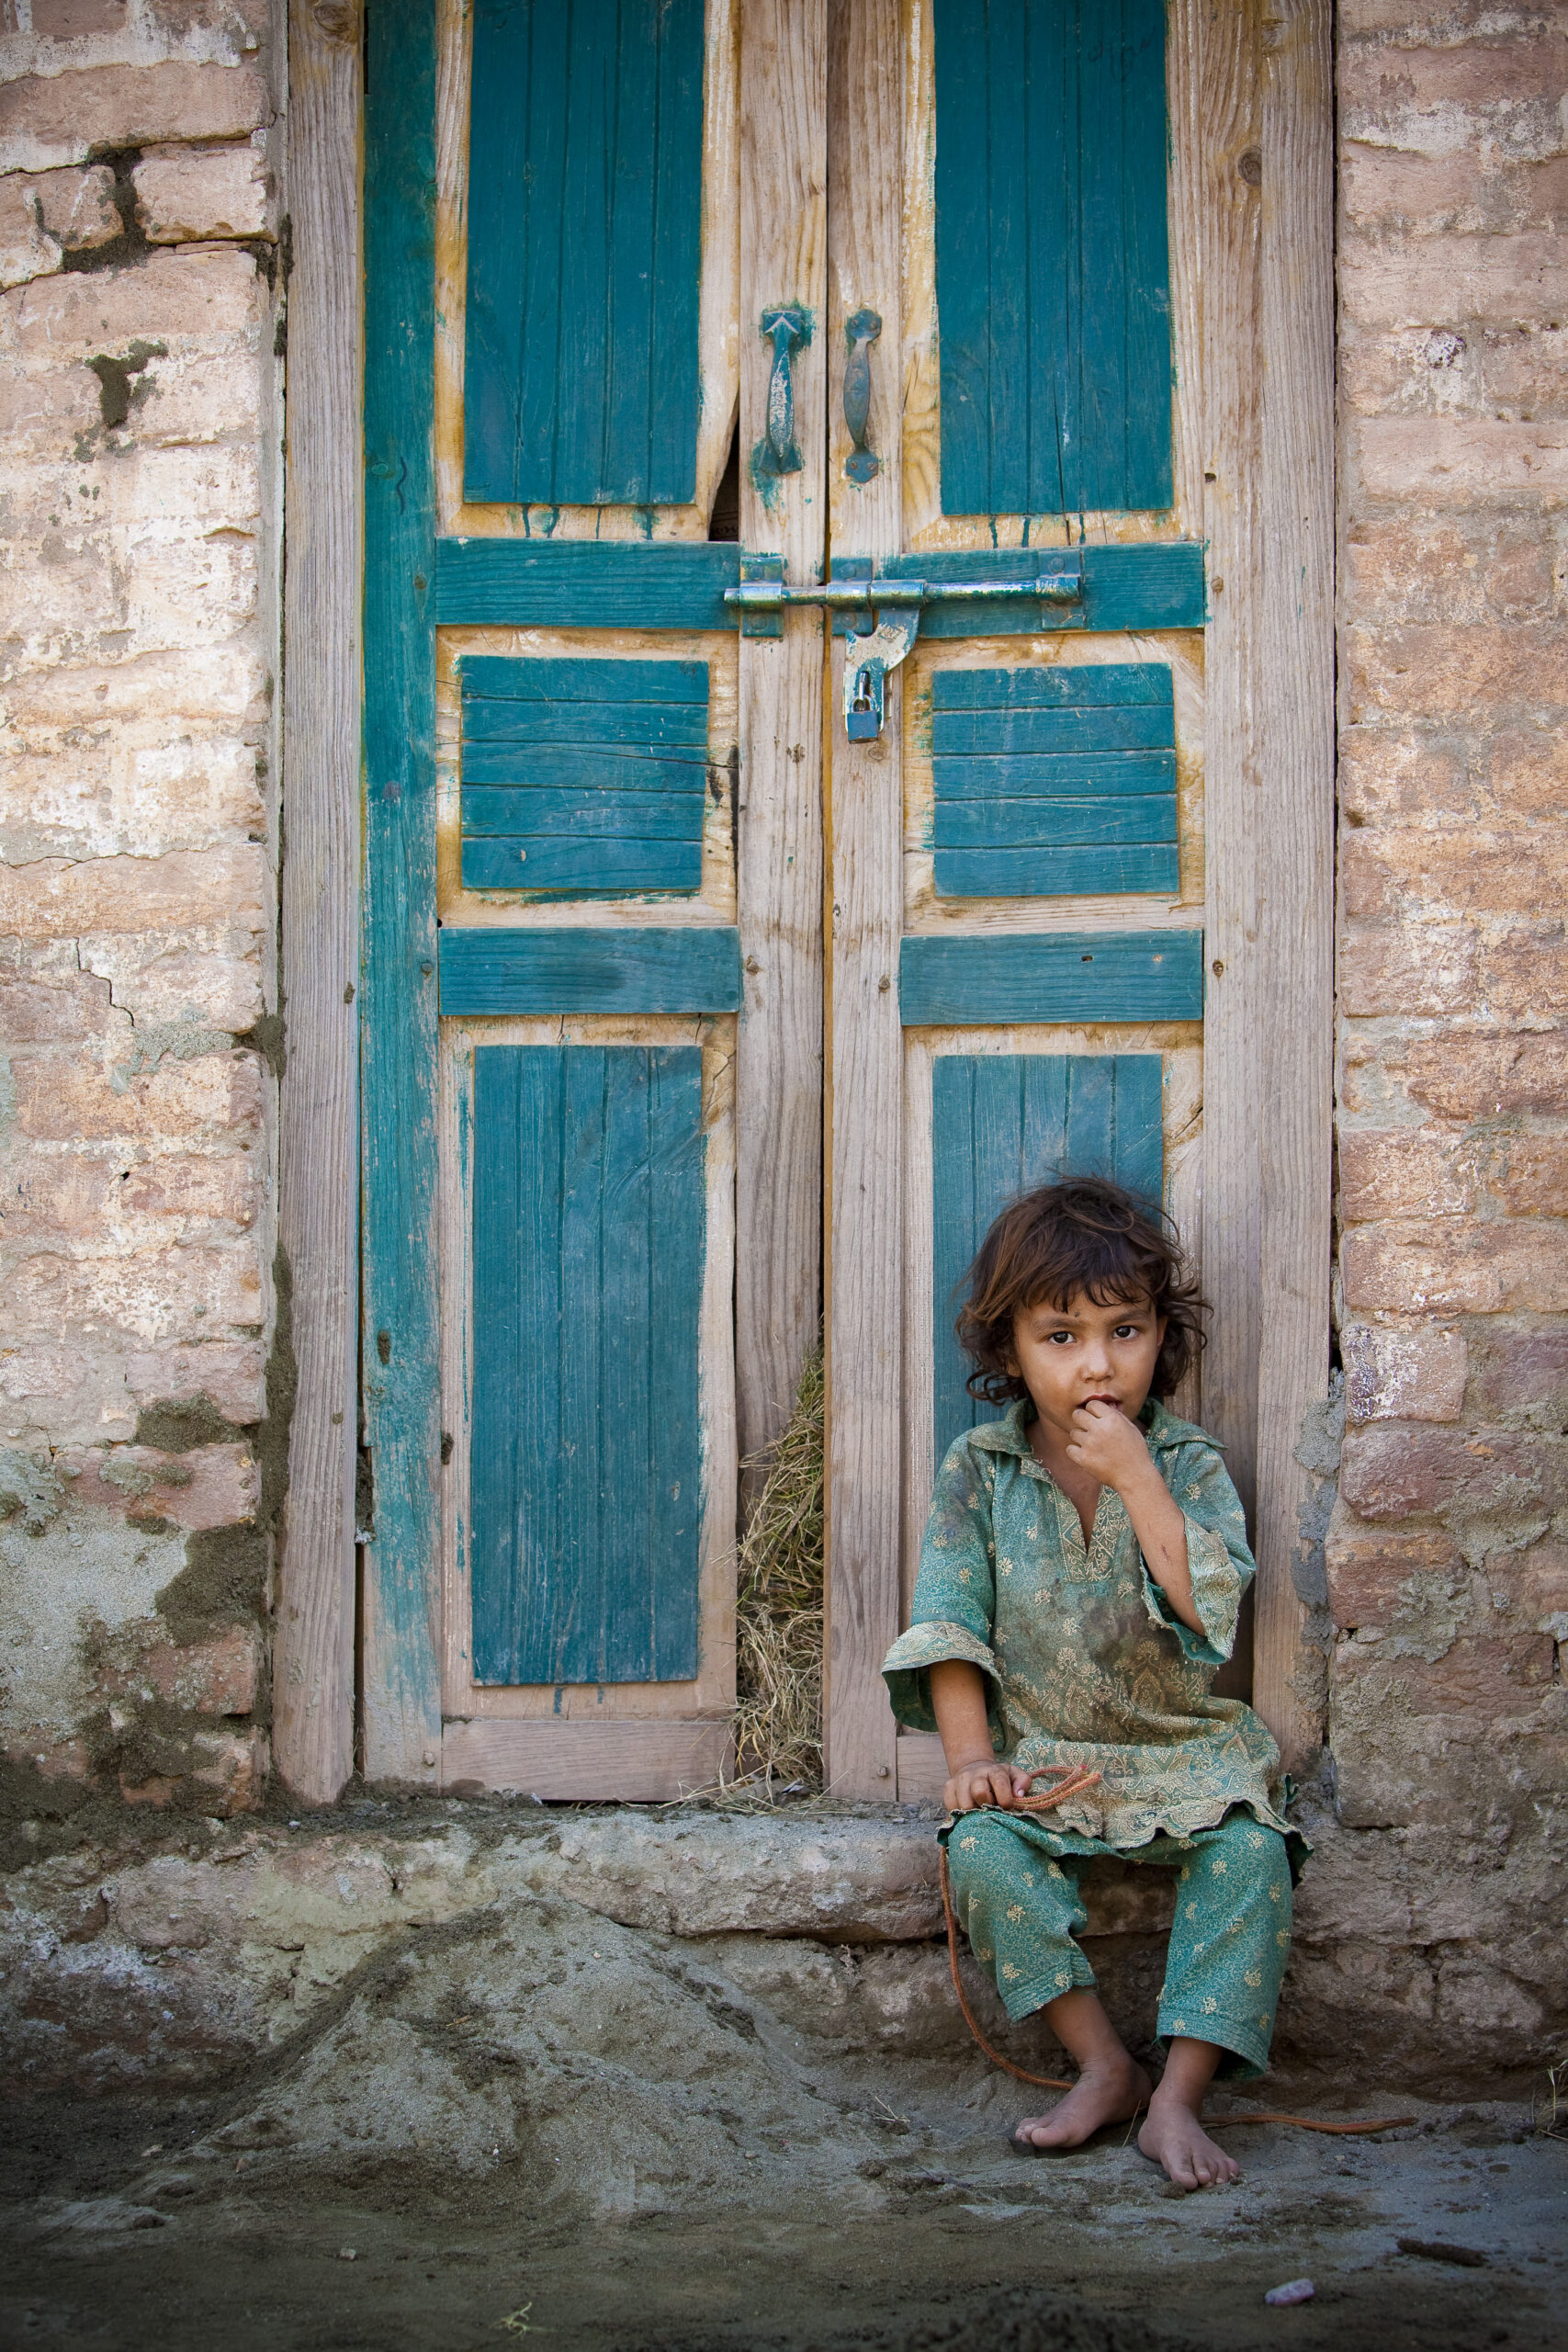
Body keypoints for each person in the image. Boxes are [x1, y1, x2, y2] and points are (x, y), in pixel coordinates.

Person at [882, 1174, 1306, 2190]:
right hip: (1046, 1768)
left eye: (1126, 1330)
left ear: (1164, 1336)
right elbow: (949, 1622)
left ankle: (1178, 2098)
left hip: (1184, 1756)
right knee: (978, 1851)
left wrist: (1137, 1477)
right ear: (1010, 1350)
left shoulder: (1190, 1463)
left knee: (1255, 1858)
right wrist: (974, 1759)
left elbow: (1210, 1611)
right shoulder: (979, 1471)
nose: (1100, 1363)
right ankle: (1106, 2066)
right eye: (1061, 1337)